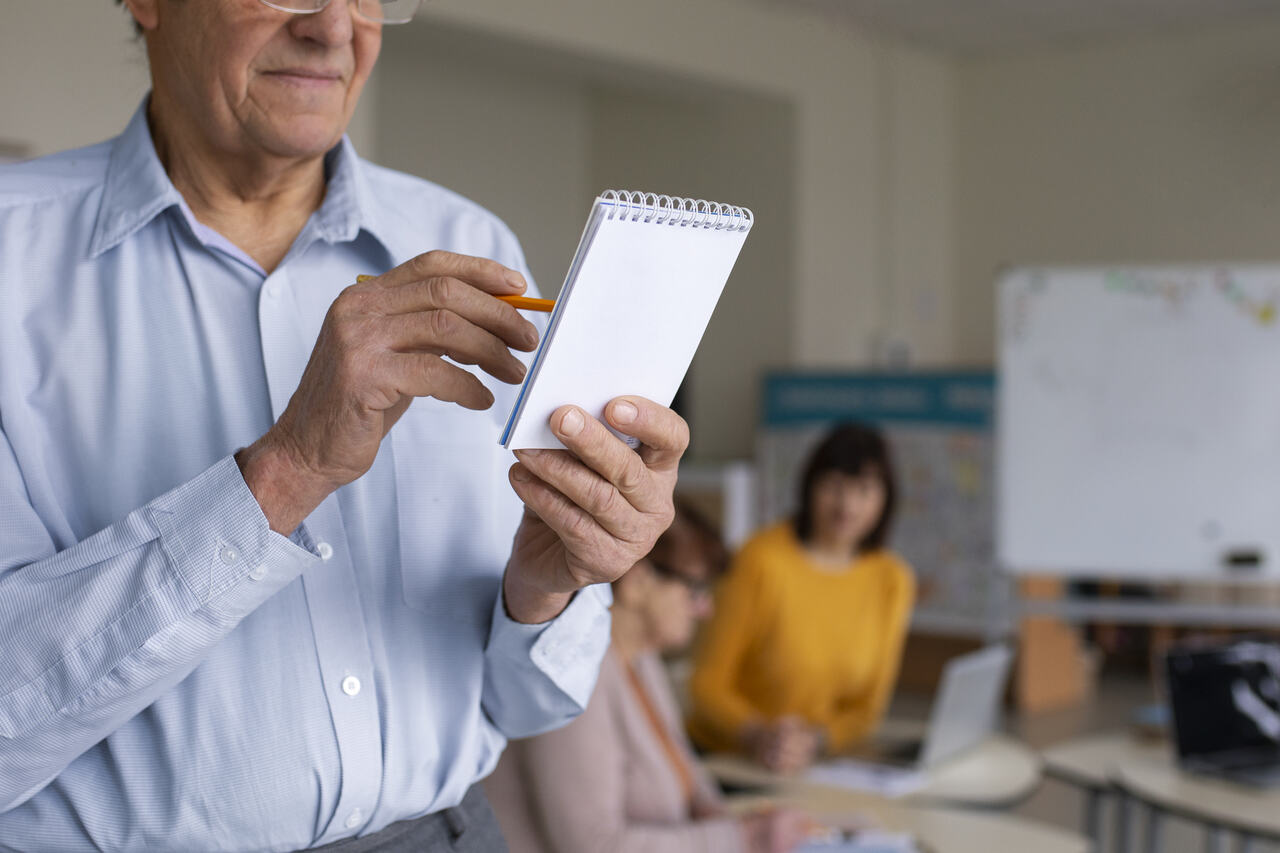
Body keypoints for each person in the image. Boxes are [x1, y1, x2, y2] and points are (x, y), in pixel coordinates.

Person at [0, 1, 689, 850]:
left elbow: (526, 700)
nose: (335, 28)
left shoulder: (468, 240)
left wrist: (548, 586)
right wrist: (286, 471)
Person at [485, 501, 809, 853]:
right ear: (638, 581)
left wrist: (736, 823)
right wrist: (743, 838)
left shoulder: (641, 659)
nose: (706, 609)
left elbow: (686, 774)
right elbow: (591, 845)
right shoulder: (577, 673)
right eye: (695, 590)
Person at [688, 423, 914, 774]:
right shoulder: (759, 560)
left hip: (816, 767)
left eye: (864, 490)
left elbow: (867, 708)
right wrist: (758, 735)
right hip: (726, 762)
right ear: (810, 486)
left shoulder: (892, 579)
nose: (847, 505)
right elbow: (706, 685)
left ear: (886, 499)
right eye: (834, 485)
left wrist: (815, 741)